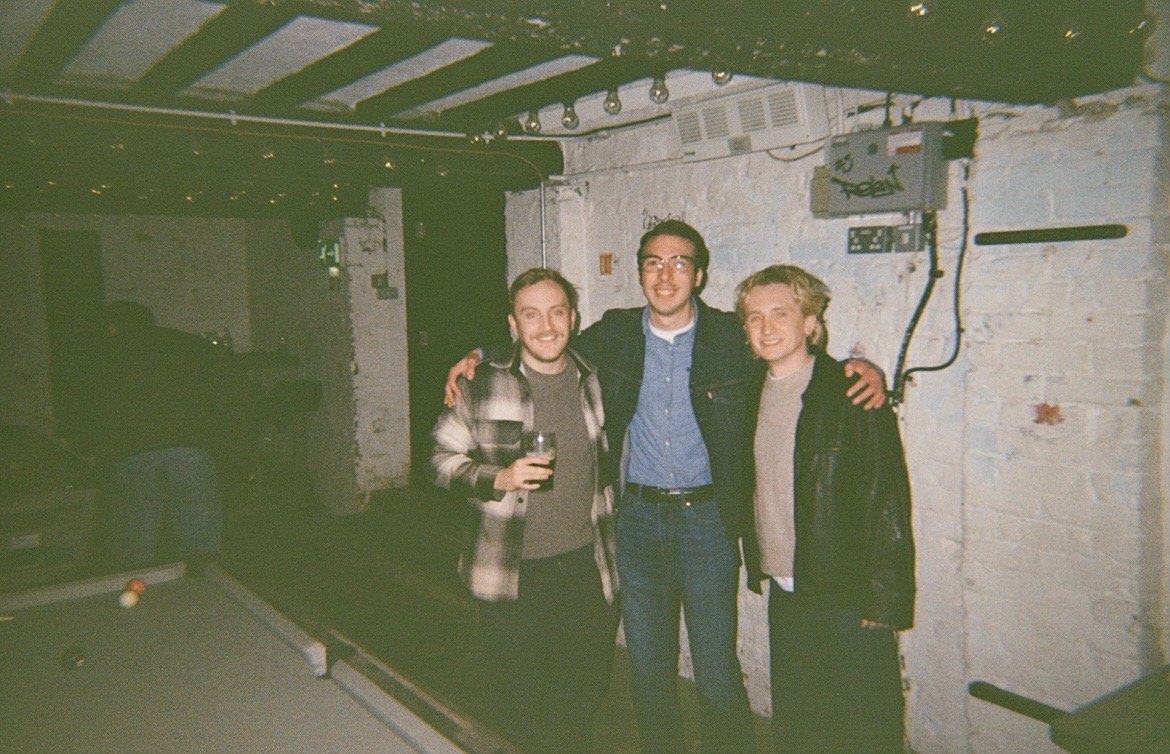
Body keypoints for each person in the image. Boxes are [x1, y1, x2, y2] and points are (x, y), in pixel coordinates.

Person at [445, 220, 886, 752]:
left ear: (698, 275)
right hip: (636, 522)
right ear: (640, 273)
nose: (665, 274)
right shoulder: (615, 335)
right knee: (649, 668)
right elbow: (544, 339)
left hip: (708, 523)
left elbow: (792, 355)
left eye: (679, 262)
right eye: (653, 262)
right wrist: (478, 355)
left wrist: (857, 370)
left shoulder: (731, 336)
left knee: (716, 670)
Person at [431, 268, 619, 753]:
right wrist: (498, 478)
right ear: (513, 325)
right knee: (522, 700)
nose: (546, 326)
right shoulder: (482, 383)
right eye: (530, 315)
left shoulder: (595, 377)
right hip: (512, 571)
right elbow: (440, 460)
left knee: (582, 691)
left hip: (586, 565)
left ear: (573, 319)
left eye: (557, 312)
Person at [735, 265, 914, 752]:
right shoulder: (747, 391)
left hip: (845, 591)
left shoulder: (850, 392)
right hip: (786, 591)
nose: (767, 327)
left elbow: (887, 499)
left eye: (781, 313)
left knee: (864, 731)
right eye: (754, 317)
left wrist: (884, 601)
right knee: (800, 727)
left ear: (810, 322)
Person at [78, 300, 239, 569]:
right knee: (202, 553)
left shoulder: (104, 354)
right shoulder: (187, 344)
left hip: (133, 455)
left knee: (135, 555)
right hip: (190, 451)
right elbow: (225, 392)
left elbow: (95, 411)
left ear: (113, 326)